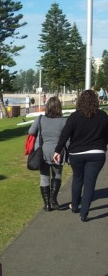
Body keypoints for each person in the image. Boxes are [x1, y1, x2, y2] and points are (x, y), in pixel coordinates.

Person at [54, 90, 108, 222]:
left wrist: (57, 151)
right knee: (90, 183)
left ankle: (74, 205)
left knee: (77, 179)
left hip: (77, 154)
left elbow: (64, 135)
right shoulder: (103, 116)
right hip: (97, 154)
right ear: (96, 101)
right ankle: (84, 213)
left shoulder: (74, 116)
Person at [28, 97, 67, 212]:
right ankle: (53, 199)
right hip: (57, 152)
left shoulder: (40, 119)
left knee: (44, 177)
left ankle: (46, 204)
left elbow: (31, 131)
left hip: (43, 152)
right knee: (57, 174)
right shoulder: (64, 121)